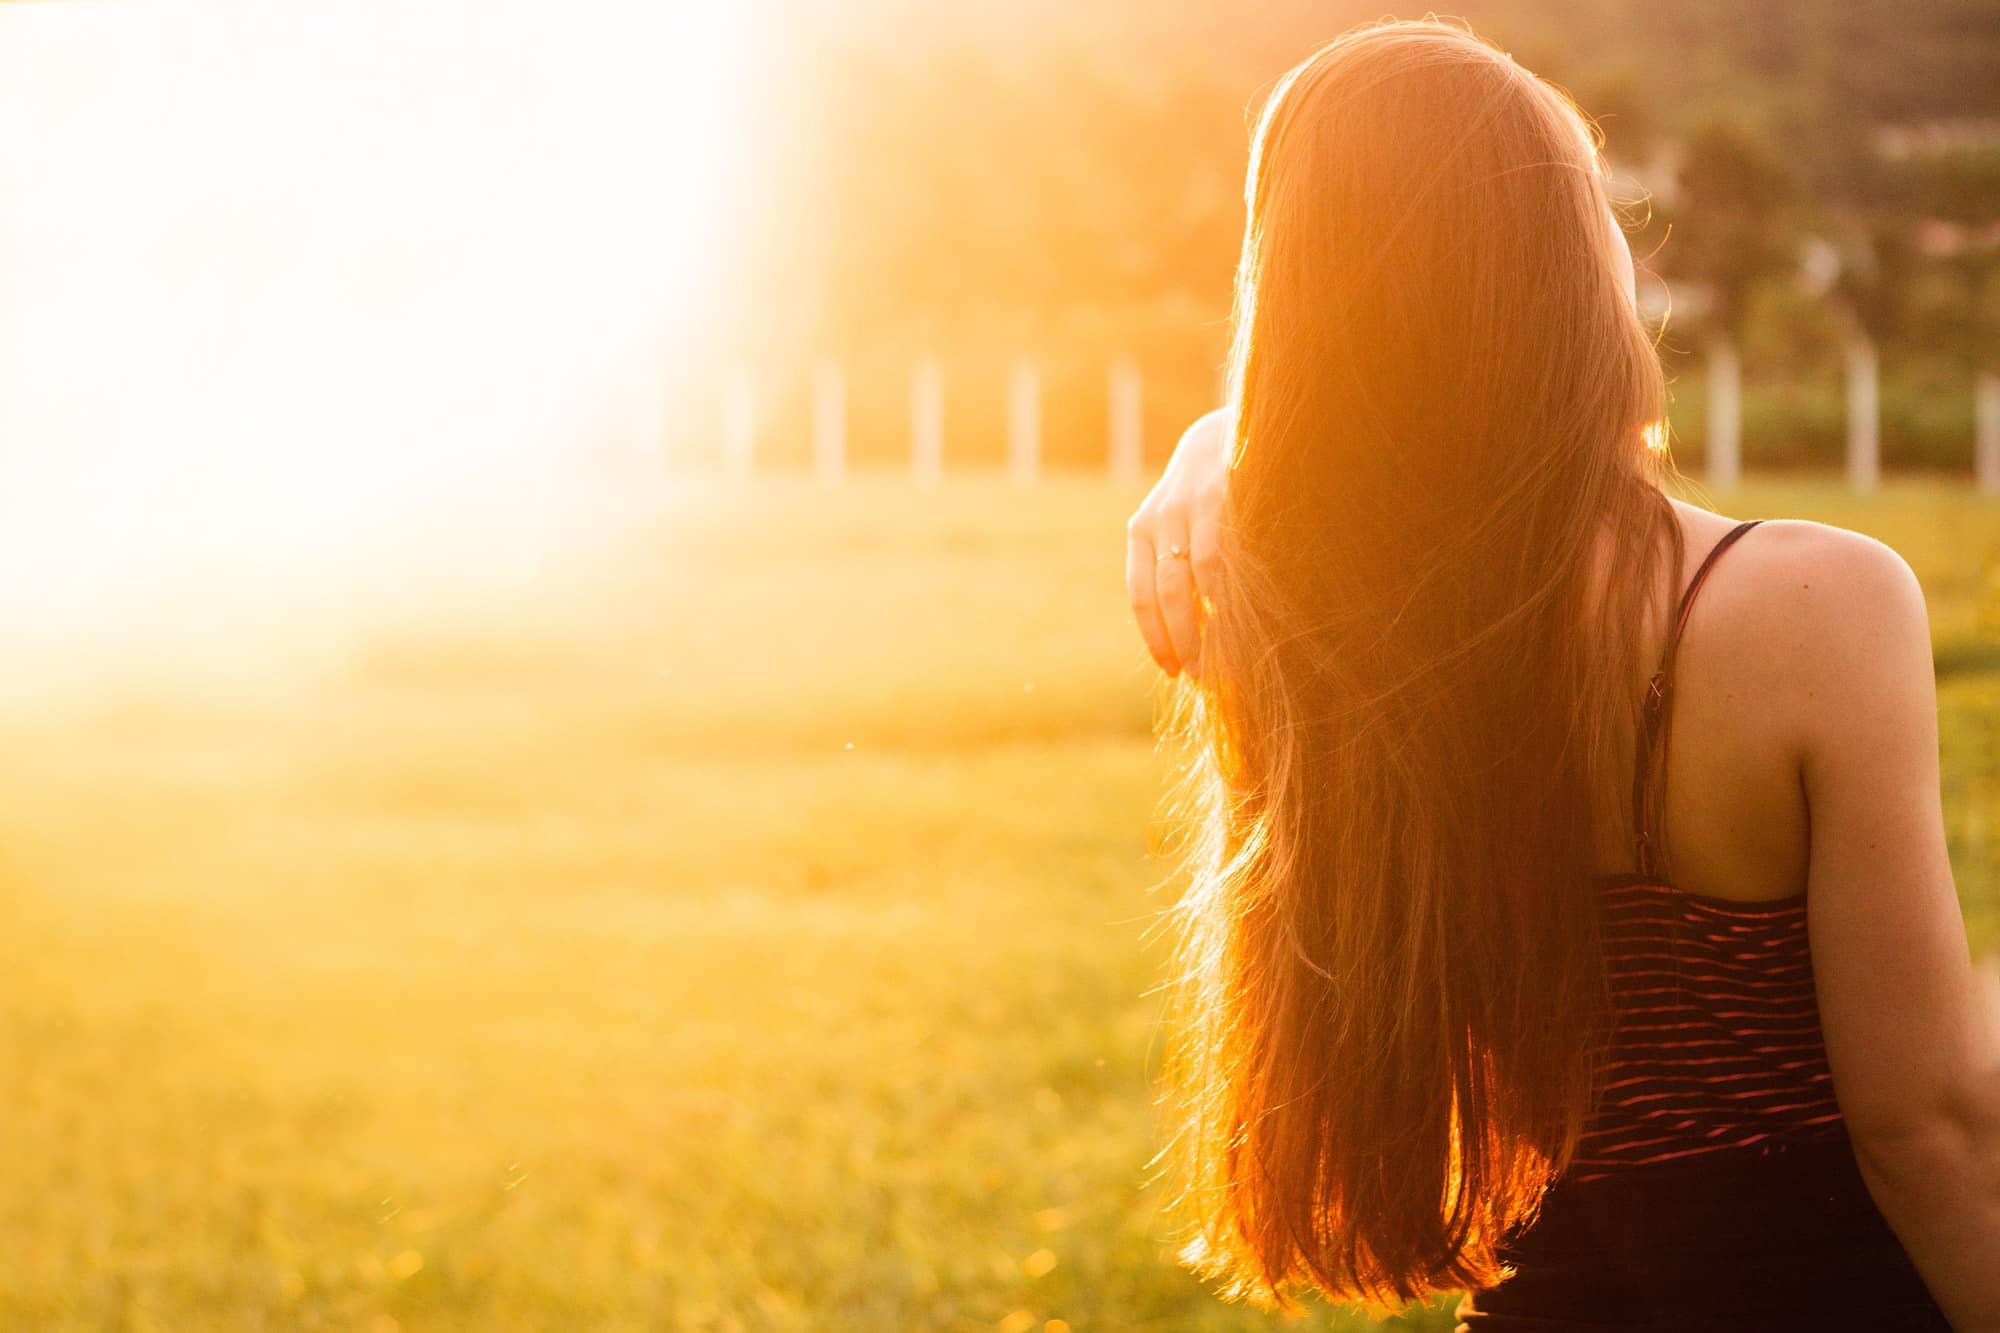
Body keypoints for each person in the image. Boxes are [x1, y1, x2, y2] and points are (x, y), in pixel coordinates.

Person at [1124, 18, 2000, 1330]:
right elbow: (1929, 1127)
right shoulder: (1821, 603)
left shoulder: (1290, 620)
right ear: (1570, 266)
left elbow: (1346, 437)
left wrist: (1221, 439)